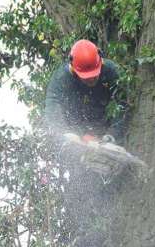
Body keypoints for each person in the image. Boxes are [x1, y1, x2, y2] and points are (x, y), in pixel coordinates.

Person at [44, 39, 127, 246]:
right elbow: (52, 106)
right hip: (78, 131)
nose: (92, 80)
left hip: (105, 127)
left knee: (113, 178)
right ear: (73, 68)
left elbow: (125, 104)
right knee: (79, 181)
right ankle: (84, 231)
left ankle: (114, 224)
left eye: (94, 75)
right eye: (86, 77)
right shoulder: (62, 78)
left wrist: (112, 135)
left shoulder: (112, 72)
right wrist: (65, 133)